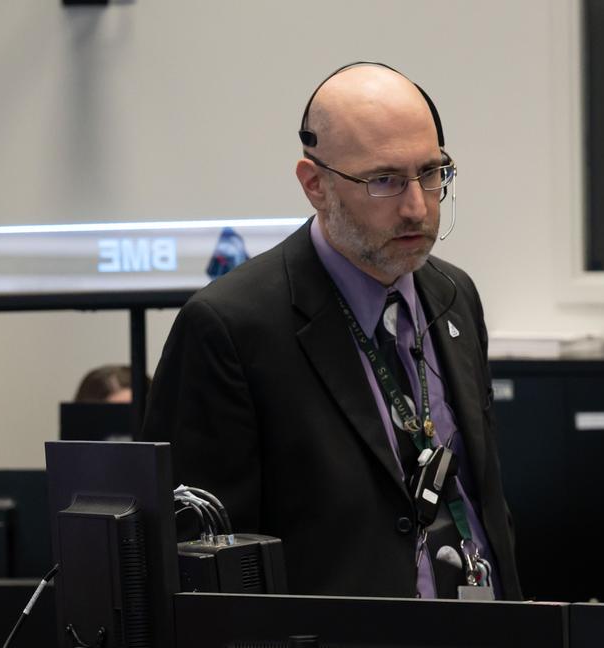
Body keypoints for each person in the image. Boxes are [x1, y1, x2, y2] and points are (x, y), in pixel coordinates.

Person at [143, 62, 519, 599]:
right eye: (384, 180)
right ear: (315, 184)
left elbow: (482, 494)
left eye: (431, 173)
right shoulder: (231, 327)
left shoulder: (454, 295)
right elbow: (199, 559)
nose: (417, 206)